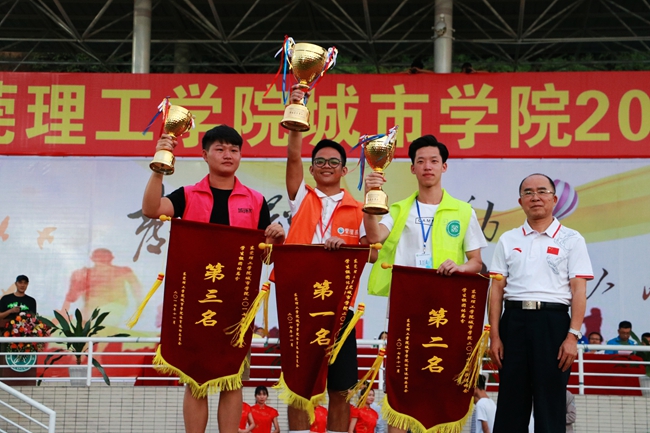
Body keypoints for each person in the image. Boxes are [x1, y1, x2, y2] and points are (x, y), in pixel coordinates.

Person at [142, 125, 285, 433]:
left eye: (234, 149)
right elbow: (152, 208)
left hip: (236, 305)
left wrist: (276, 240)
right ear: (205, 155)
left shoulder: (256, 200)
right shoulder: (188, 195)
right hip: (196, 300)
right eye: (220, 149)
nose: (227, 155)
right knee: (196, 381)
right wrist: (160, 164)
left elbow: (266, 258)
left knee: (233, 380)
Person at [285, 87, 371, 433]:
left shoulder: (360, 210)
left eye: (333, 162)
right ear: (312, 168)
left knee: (340, 388)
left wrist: (346, 249)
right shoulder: (300, 197)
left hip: (340, 310)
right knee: (298, 389)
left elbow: (372, 250)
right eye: (319, 161)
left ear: (344, 170)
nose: (325, 166)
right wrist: (296, 111)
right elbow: (293, 157)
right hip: (301, 307)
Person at [488, 173, 594, 433]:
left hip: (553, 323)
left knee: (550, 404)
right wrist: (495, 336)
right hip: (514, 321)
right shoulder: (508, 239)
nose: (535, 197)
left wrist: (572, 336)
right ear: (520, 201)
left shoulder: (572, 239)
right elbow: (497, 290)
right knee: (511, 402)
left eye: (542, 191)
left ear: (554, 199)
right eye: (528, 192)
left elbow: (579, 291)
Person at [60, 248, 142, 326]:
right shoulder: (83, 273)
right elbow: (72, 296)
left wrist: (139, 306)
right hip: (92, 310)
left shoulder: (123, 271)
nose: (102, 261)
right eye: (100, 257)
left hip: (113, 309)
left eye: (104, 257)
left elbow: (136, 288)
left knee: (103, 328)